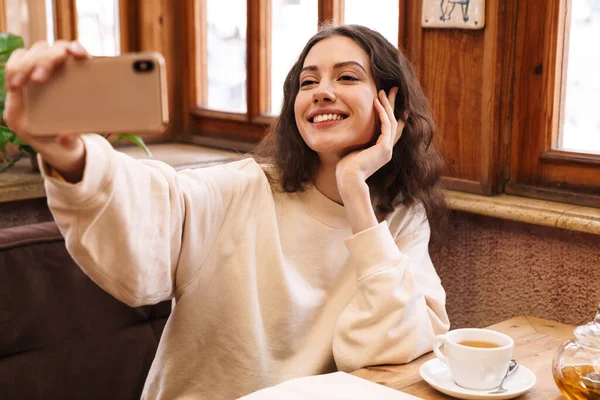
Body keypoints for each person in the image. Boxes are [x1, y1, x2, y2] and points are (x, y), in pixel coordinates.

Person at [4, 24, 450, 399]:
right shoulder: (241, 190)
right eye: (308, 82)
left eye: (347, 77)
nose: (322, 93)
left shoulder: (402, 220)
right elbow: (153, 208)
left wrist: (355, 194)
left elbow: (394, 349)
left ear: (392, 107)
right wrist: (71, 154)